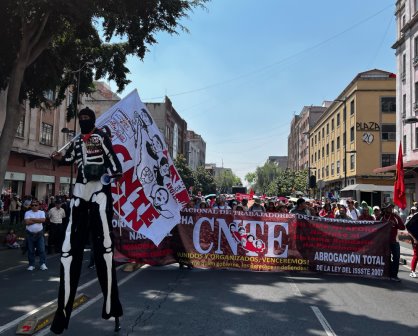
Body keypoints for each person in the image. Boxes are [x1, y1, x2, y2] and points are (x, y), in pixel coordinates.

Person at [50, 107, 123, 333]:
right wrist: (58, 157)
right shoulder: (76, 140)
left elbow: (116, 167)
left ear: (92, 120)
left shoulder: (101, 137)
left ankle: (111, 303)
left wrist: (104, 174)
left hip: (99, 194)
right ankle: (62, 315)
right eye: (80, 119)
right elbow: (68, 158)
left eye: (86, 119)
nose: (83, 121)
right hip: (79, 194)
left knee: (104, 248)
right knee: (69, 250)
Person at [378, 202, 405, 282]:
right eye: (389, 207)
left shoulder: (396, 217)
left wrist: (395, 224)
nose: (390, 209)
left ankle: (394, 275)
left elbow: (403, 227)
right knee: (387, 258)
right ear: (385, 209)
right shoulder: (381, 218)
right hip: (385, 242)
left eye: (391, 207)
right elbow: (377, 228)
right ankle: (388, 274)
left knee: (396, 258)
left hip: (394, 241)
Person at [24, 200, 47, 271]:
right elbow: (27, 222)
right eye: (32, 205)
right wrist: (38, 220)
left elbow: (43, 220)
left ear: (39, 206)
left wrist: (32, 219)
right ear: (30, 206)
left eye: (36, 205)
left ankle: (42, 264)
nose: (34, 206)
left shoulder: (41, 212)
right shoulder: (27, 212)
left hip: (39, 234)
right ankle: (31, 265)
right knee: (31, 250)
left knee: (42, 249)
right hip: (30, 234)